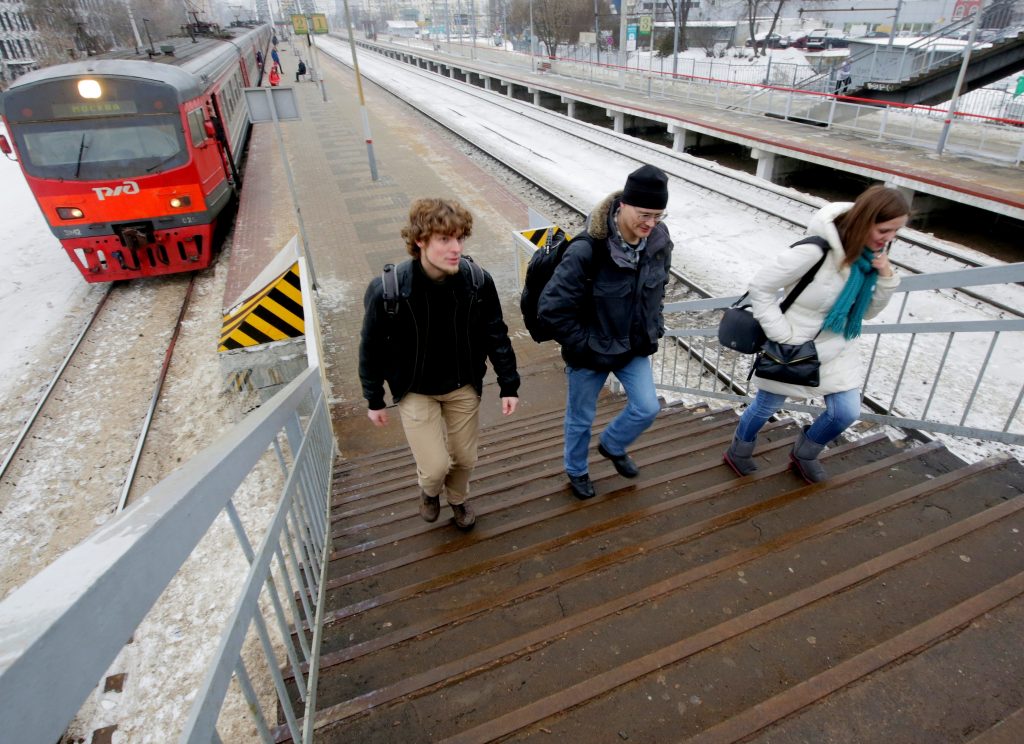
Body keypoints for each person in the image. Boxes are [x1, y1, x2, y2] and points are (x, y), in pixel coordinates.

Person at [723, 185, 909, 483]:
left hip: (836, 347)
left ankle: (805, 453)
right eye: (885, 230)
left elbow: (866, 314)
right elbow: (761, 287)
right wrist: (782, 334)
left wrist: (886, 277)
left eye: (896, 232)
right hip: (793, 349)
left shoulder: (868, 260)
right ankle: (738, 451)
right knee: (766, 406)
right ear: (864, 220)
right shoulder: (815, 251)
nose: (889, 239)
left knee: (845, 412)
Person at [359, 198, 520, 530]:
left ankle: (458, 501)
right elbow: (370, 347)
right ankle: (429, 492)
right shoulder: (388, 290)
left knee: (465, 458)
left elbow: (496, 335)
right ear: (420, 241)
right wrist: (373, 397)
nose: (456, 248)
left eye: (460, 238)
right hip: (415, 389)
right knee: (434, 467)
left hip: (462, 384)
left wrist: (509, 383)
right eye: (445, 239)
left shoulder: (477, 281)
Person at [536, 165, 673, 500]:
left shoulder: (658, 240)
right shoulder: (588, 249)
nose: (650, 224)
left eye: (658, 215)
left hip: (632, 346)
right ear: (622, 205)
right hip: (590, 353)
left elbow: (657, 288)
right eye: (644, 215)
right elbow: (550, 309)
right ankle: (577, 470)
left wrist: (652, 326)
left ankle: (612, 445)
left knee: (647, 407)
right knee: (580, 419)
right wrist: (583, 344)